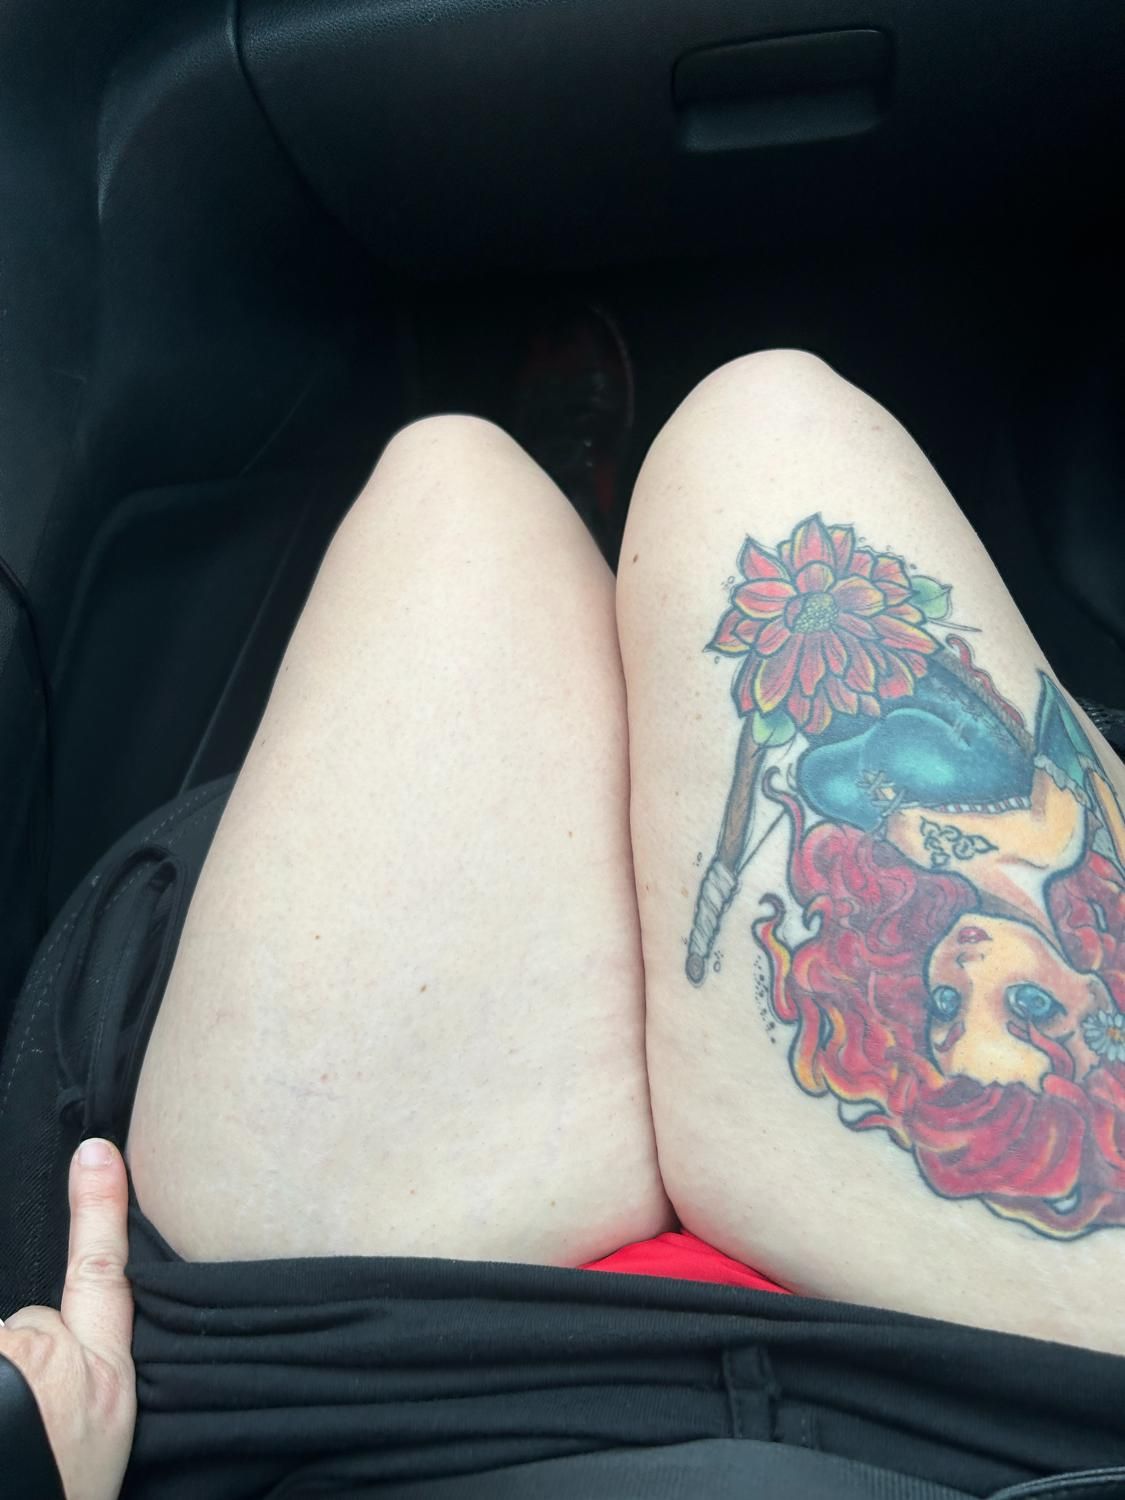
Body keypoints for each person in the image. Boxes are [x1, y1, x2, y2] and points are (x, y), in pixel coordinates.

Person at [3, 349, 1125, 1499]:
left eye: (947, 1006)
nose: (965, 965)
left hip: (354, 1396)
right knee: (766, 423)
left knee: (455, 483)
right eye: (1016, 1003)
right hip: (1035, 1418)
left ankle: (582, 563)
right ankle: (601, 597)